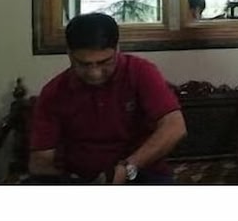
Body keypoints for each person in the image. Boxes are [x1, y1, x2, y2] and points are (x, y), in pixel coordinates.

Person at [27, 13, 186, 184]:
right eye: (84, 64)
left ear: (117, 49)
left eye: (104, 62)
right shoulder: (54, 92)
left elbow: (175, 127)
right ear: (69, 54)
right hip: (81, 179)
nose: (95, 74)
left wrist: (128, 167)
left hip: (140, 172)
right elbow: (40, 161)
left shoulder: (140, 72)